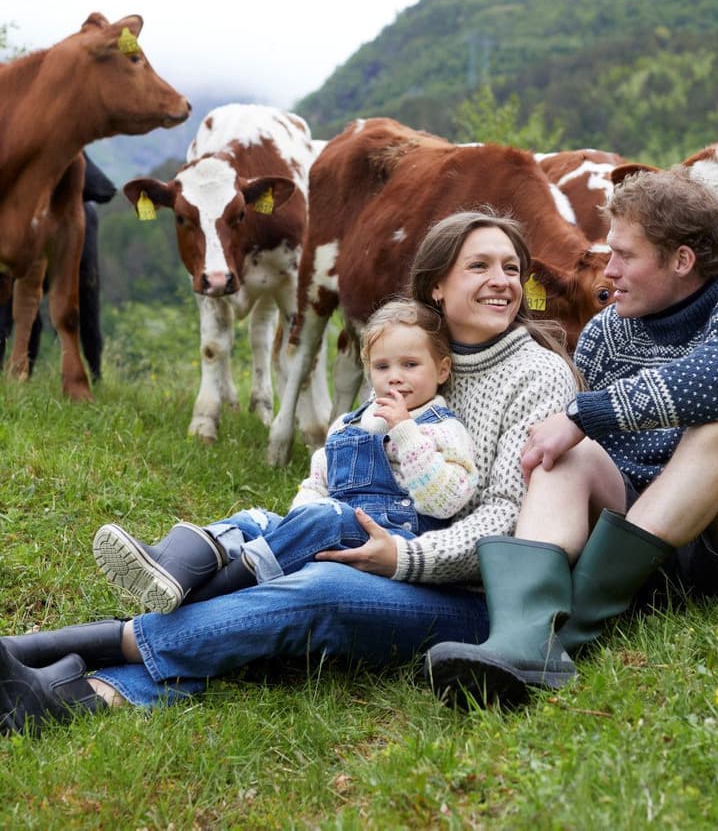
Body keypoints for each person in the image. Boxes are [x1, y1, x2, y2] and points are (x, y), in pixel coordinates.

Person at [0, 210, 580, 737]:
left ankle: (49, 651)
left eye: (512, 268)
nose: (502, 280)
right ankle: (78, 694)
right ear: (437, 285)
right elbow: (344, 463)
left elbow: (510, 519)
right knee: (262, 543)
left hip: (471, 598)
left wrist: (402, 558)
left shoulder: (537, 373)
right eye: (479, 266)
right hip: (380, 540)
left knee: (321, 590)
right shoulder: (410, 356)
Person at [425, 166, 718, 708]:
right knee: (569, 454)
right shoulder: (607, 331)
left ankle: (573, 629)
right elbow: (587, 445)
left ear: (681, 260)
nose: (609, 270)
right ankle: (522, 638)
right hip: (655, 552)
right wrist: (577, 432)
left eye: (624, 256)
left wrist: (588, 413)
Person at [91, 299, 480, 614]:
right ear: (369, 371)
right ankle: (172, 563)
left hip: (390, 543)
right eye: (382, 366)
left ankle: (209, 594)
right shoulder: (347, 424)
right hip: (327, 528)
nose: (395, 376)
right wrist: (295, 525)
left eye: (410, 365)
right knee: (256, 519)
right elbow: (317, 485)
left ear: (442, 369)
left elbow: (445, 502)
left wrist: (406, 433)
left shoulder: (442, 428)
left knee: (324, 517)